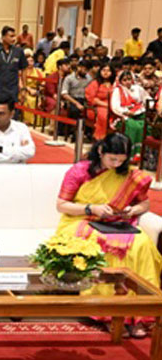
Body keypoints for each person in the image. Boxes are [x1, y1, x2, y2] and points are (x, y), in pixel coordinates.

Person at [55, 133, 161, 338]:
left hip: (118, 223)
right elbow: (62, 205)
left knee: (142, 245)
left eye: (121, 160)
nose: (116, 164)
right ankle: (109, 314)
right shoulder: (80, 170)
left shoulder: (128, 174)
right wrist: (91, 208)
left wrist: (132, 210)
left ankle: (138, 315)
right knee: (106, 245)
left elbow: (145, 203)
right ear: (101, 151)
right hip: (81, 220)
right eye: (112, 159)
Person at [0, 26, 26, 105]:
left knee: (13, 112)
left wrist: (23, 89)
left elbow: (23, 70)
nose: (14, 39)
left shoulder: (19, 52)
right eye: (11, 36)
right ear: (3, 37)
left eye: (14, 36)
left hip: (12, 92)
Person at [110, 70, 148, 158]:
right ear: (120, 81)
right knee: (133, 126)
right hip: (122, 116)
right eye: (124, 80)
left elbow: (147, 98)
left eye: (129, 79)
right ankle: (130, 153)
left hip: (138, 114)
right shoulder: (117, 90)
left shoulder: (138, 89)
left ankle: (141, 153)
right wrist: (125, 112)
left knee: (145, 126)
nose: (127, 82)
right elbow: (115, 107)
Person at [61, 59, 93, 133]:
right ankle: (74, 131)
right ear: (79, 67)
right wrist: (76, 103)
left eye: (87, 70)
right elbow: (64, 94)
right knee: (75, 110)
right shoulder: (69, 78)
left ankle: (87, 132)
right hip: (71, 99)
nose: (85, 72)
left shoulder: (89, 78)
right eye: (84, 69)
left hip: (84, 99)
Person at [85, 63, 115, 140]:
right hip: (97, 107)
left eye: (108, 71)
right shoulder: (95, 83)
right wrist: (107, 105)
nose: (106, 72)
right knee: (104, 115)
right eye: (103, 70)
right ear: (100, 71)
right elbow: (92, 99)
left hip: (114, 106)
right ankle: (100, 138)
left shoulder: (114, 84)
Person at [20, 51, 43, 126]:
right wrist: (28, 89)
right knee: (29, 100)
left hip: (36, 91)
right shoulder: (21, 71)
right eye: (28, 61)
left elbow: (43, 82)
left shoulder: (38, 71)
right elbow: (20, 83)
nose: (30, 63)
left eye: (32, 61)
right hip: (24, 90)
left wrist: (39, 89)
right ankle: (27, 120)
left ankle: (37, 122)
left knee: (39, 100)